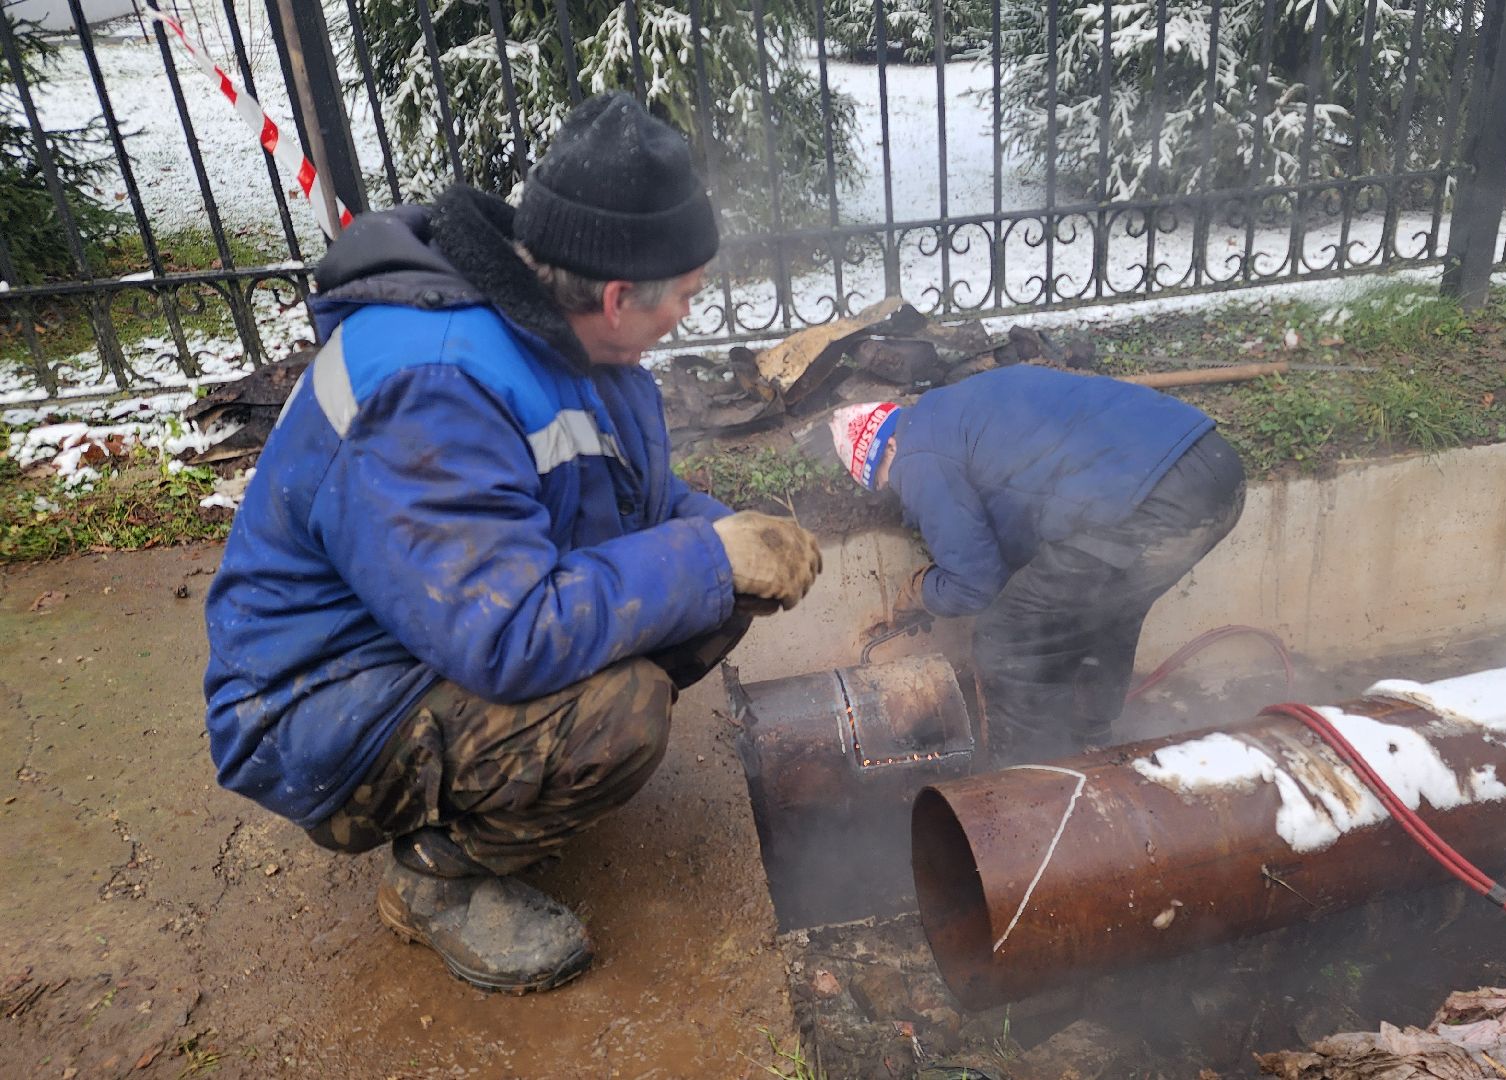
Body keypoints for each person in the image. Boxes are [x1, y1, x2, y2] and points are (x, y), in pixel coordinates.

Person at [202, 92, 822, 994]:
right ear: (617, 296)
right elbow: (508, 634)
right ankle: (433, 879)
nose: (690, 312)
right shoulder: (432, 386)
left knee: (719, 591)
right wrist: (707, 557)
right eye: (685, 295)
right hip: (322, 701)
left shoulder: (560, 332)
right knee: (623, 710)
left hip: (429, 632)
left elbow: (612, 499)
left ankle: (510, 779)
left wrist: (714, 530)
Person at [832, 365, 1245, 763]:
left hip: (1147, 505)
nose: (896, 489)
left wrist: (920, 591)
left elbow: (976, 584)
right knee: (1107, 607)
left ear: (887, 446)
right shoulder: (960, 409)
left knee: (1006, 635)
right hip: (1214, 473)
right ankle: (1093, 742)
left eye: (884, 479)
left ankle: (1027, 782)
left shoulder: (916, 454)